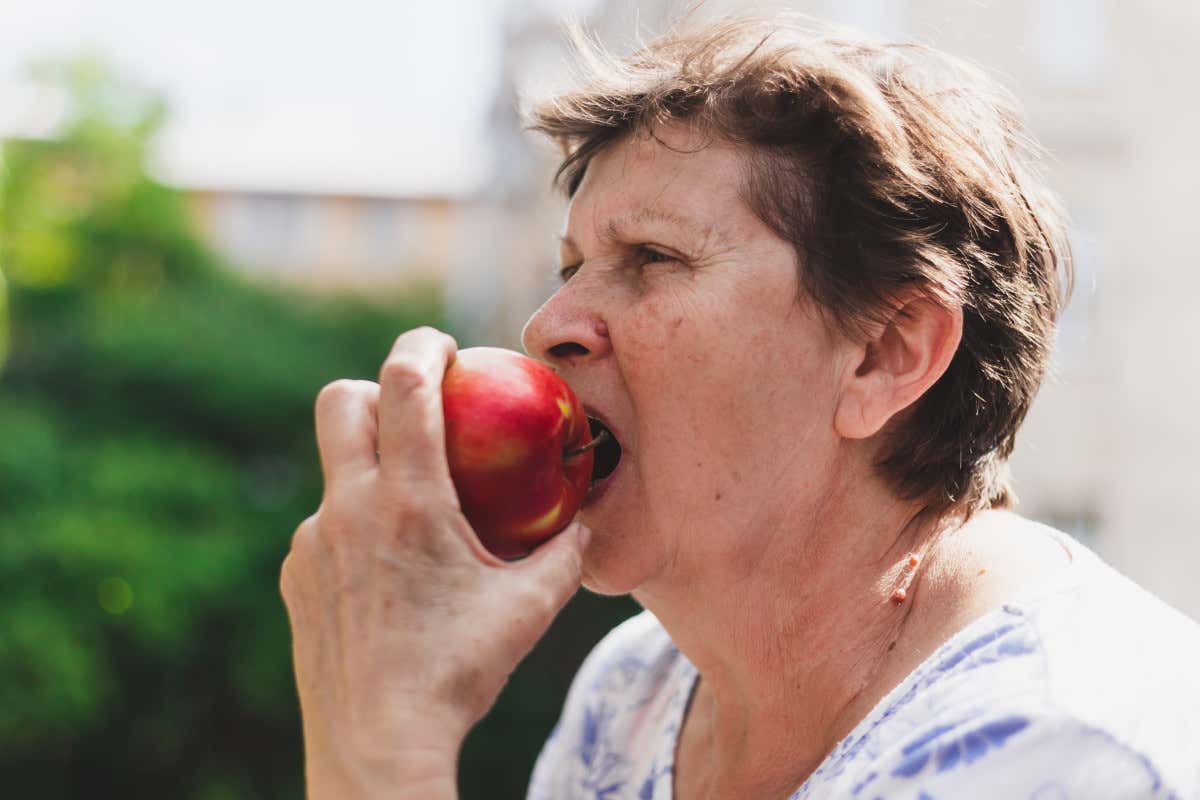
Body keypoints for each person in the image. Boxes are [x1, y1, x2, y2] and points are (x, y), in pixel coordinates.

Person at [279, 13, 1200, 800]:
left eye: (651, 258)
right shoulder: (631, 697)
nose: (546, 324)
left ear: (884, 355)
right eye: (569, 269)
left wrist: (384, 744)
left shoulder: (1068, 750)